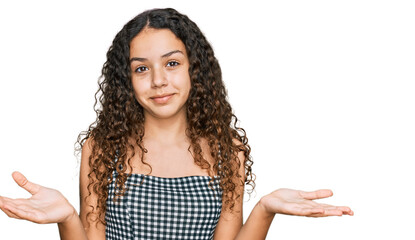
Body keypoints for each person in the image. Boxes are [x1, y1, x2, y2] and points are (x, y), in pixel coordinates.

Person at [0, 8, 353, 240]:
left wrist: (265, 209)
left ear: (193, 69)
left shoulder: (227, 149)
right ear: (127, 80)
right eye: (141, 68)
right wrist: (67, 218)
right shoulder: (102, 146)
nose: (158, 81)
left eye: (171, 63)